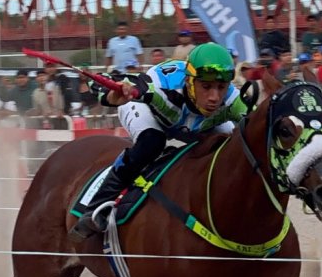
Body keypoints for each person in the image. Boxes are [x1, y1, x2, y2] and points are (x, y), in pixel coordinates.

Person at [69, 43, 244, 241]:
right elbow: (108, 81)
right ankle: (95, 208)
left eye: (221, 87)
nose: (214, 97)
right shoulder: (162, 88)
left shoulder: (233, 99)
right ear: (189, 81)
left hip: (196, 121)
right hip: (148, 110)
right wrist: (111, 96)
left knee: (233, 146)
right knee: (152, 142)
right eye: (206, 87)